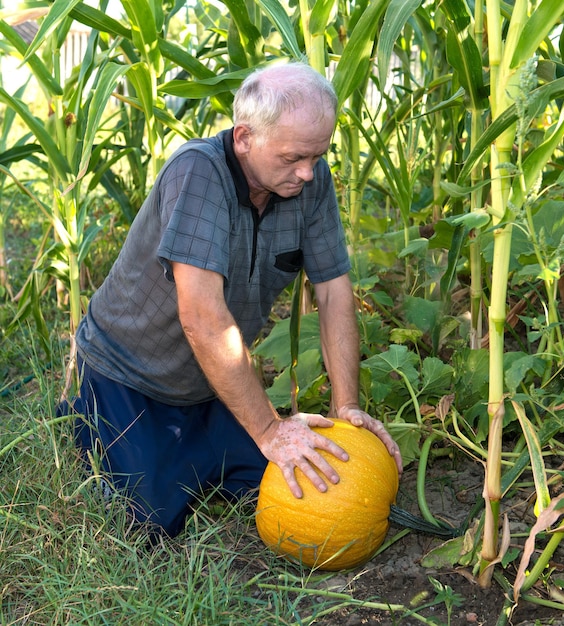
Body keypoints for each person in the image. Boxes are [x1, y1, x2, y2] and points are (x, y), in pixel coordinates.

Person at [59, 61, 403, 538]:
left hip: (209, 383)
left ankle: (196, 448)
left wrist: (347, 408)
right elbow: (203, 319)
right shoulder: (199, 172)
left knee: (285, 485)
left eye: (317, 156)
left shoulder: (311, 179)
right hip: (128, 374)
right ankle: (80, 415)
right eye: (292, 158)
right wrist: (268, 431)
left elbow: (333, 290)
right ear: (244, 138)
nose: (307, 172)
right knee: (149, 521)